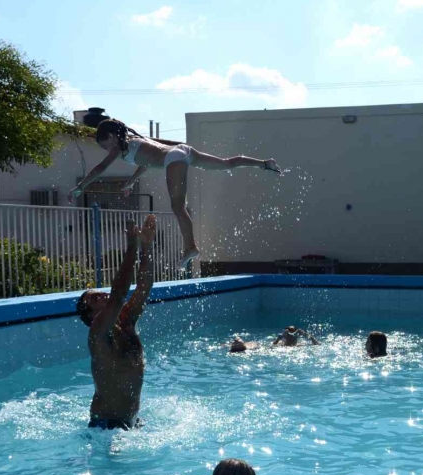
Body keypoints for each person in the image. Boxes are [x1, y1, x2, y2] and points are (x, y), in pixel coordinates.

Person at [71, 118, 281, 270]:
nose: (106, 150)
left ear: (110, 137)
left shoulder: (120, 148)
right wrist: (130, 182)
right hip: (182, 151)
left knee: (177, 206)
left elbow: (100, 168)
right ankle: (264, 164)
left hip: (174, 157)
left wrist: (81, 186)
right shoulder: (133, 143)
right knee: (225, 163)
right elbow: (145, 163)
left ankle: (190, 247)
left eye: (104, 145)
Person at [75, 216, 156, 430]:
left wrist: (146, 247)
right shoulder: (98, 332)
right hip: (106, 427)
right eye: (93, 298)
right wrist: (131, 248)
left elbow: (144, 287)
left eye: (98, 293)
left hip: (131, 423)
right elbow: (118, 295)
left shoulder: (126, 321)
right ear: (91, 315)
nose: (101, 295)